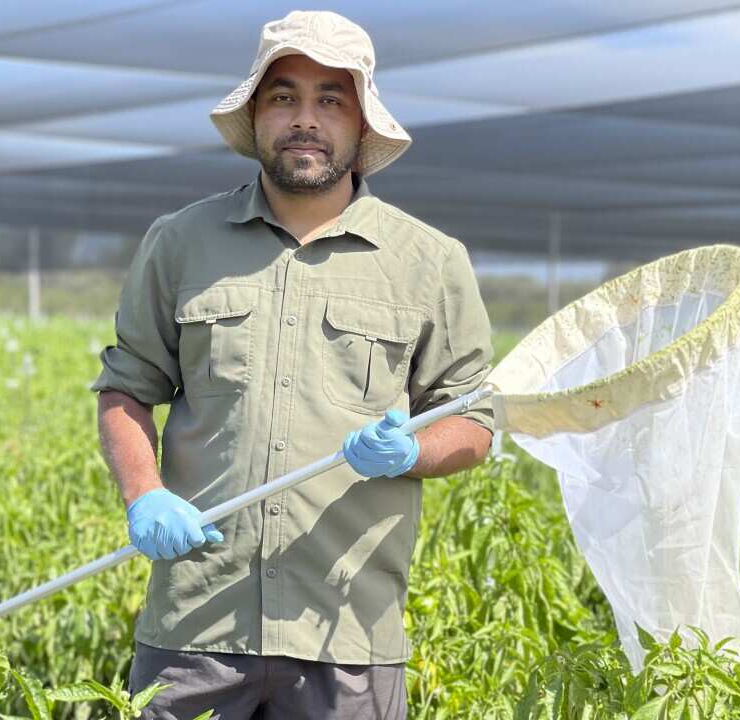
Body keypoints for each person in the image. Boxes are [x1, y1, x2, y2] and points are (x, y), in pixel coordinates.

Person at [92, 10, 493, 719]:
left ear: (362, 122)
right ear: (256, 113)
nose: (305, 119)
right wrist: (144, 494)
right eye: (283, 97)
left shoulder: (429, 263)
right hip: (196, 627)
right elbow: (125, 389)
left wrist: (411, 452)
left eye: (329, 99)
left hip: (349, 635)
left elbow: (477, 425)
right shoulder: (181, 243)